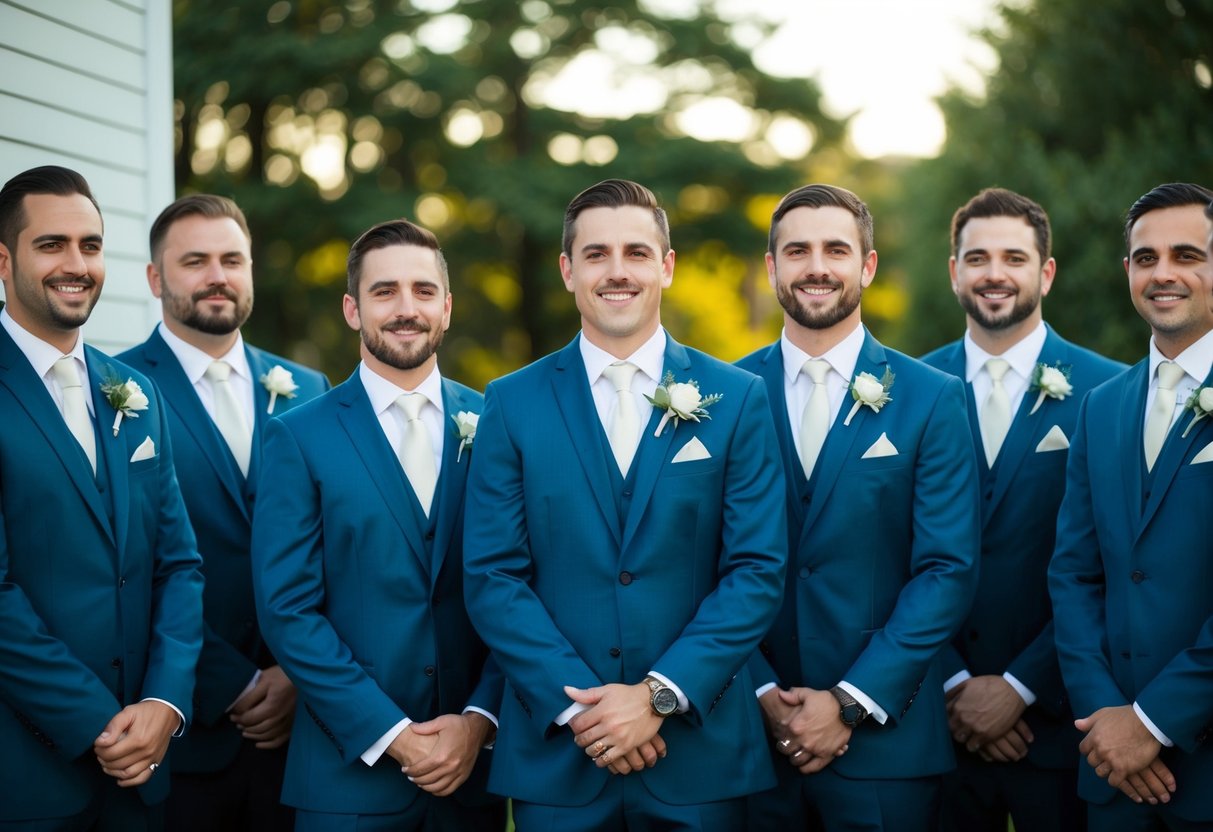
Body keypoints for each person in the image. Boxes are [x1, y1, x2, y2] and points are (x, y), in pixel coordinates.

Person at [461, 179, 786, 830]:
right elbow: (492, 576)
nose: (617, 272)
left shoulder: (737, 398)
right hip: (559, 754)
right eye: (596, 254)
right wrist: (583, 709)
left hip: (700, 754)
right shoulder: (510, 401)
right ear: (567, 270)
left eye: (636, 253)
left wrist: (658, 695)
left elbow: (755, 570)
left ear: (665, 267)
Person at [739, 183, 980, 832]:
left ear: (866, 266)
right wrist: (761, 692)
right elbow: (697, 560)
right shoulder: (724, 394)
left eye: (835, 249)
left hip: (886, 742)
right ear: (772, 268)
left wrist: (850, 700)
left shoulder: (931, 399)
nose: (816, 265)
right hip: (747, 740)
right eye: (797, 250)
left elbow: (946, 570)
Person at [250, 218, 504, 830]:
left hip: (472, 782)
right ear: (352, 309)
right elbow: (288, 611)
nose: (405, 308)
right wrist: (393, 735)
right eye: (383, 291)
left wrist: (479, 720)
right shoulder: (297, 437)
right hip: (347, 779)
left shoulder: (497, 421)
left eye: (422, 291)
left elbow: (520, 585)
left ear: (446, 307)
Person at [0, 165, 203, 829]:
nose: (76, 264)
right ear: (4, 260)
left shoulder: (134, 392)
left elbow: (179, 563)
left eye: (90, 246)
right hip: (27, 774)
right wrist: (98, 723)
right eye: (51, 244)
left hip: (145, 774)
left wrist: (165, 703)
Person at [118, 194, 329, 831]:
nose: (218, 275)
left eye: (232, 259)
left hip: (302, 729)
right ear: (156, 278)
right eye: (196, 261)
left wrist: (296, 673)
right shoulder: (117, 391)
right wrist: (230, 683)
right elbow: (127, 560)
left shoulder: (307, 389)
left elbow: (330, 547)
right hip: (183, 727)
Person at [921, 187, 1124, 831]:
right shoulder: (911, 391)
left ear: (1046, 272)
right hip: (932, 727)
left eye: (1014, 257)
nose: (994, 274)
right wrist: (954, 684)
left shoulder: (1110, 391)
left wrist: (1019, 688)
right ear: (954, 271)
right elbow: (889, 553)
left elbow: (1111, 561)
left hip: (1063, 728)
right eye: (977, 258)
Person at [1049, 182, 1213, 829]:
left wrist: (1153, 721)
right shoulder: (1102, 406)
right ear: (1127, 272)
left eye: (1185, 255)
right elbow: (1073, 572)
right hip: (1110, 768)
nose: (1162, 274)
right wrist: (1107, 721)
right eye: (1145, 258)